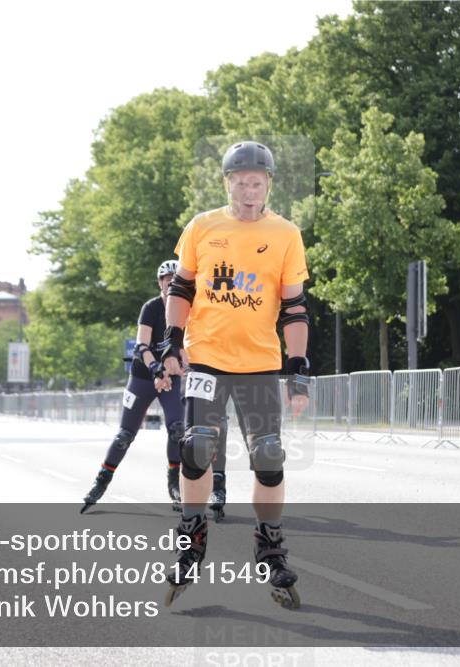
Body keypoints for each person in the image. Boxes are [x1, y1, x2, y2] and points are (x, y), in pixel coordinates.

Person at [156, 141, 311, 609]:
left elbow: (294, 306)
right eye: (240, 183)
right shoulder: (202, 226)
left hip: (260, 363)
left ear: (269, 185)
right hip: (207, 358)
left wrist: (297, 366)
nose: (248, 191)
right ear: (228, 184)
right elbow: (182, 287)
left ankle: (270, 547)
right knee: (197, 447)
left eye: (256, 183)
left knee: (269, 455)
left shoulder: (286, 234)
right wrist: (172, 339)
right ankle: (191, 540)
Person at [80, 260, 187, 514]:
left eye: (176, 280)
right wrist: (156, 369)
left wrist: (180, 367)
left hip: (170, 377)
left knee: (177, 430)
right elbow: (141, 346)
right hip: (143, 376)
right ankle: (101, 482)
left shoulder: (187, 309)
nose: (171, 283)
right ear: (160, 283)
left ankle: (174, 484)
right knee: (124, 436)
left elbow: (187, 347)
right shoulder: (150, 308)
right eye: (167, 280)